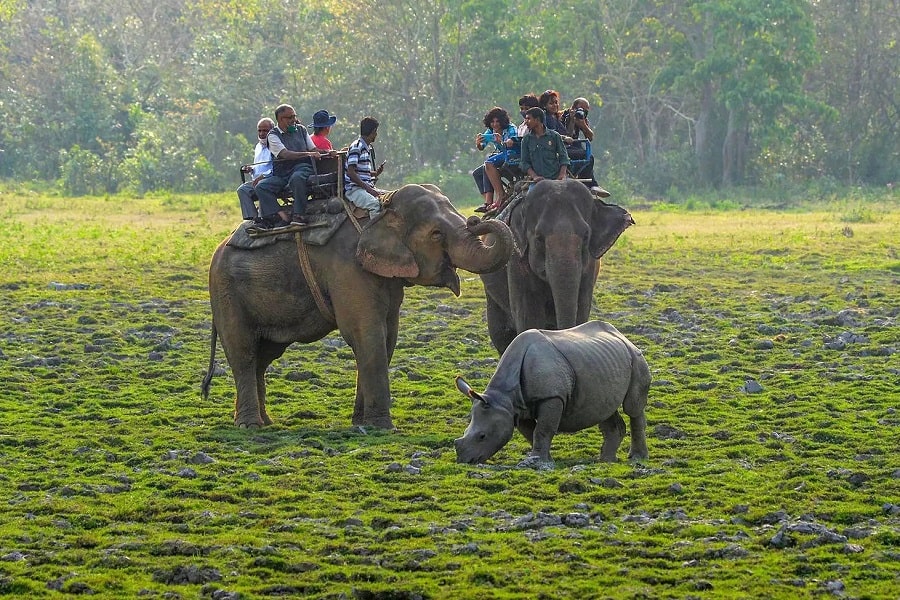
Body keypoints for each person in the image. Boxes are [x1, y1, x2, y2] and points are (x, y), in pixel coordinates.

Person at [255, 104, 325, 228]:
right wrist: (309, 154)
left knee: (297, 178)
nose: (294, 120)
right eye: (290, 117)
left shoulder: (302, 130)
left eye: (294, 116)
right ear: (281, 119)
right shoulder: (273, 135)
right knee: (261, 187)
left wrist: (329, 152)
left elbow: (314, 149)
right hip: (282, 174)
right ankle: (281, 216)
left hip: (302, 167)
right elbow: (285, 154)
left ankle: (299, 215)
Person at [561, 97, 609, 196]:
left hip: (573, 146)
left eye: (585, 111)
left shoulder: (582, 117)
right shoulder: (563, 116)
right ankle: (591, 184)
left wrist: (583, 125)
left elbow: (590, 137)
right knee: (586, 155)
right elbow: (567, 136)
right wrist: (572, 121)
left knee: (588, 154)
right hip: (561, 145)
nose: (582, 112)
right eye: (580, 109)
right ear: (573, 108)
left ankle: (591, 184)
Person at [344, 116, 385, 219]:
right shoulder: (357, 147)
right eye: (376, 132)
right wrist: (369, 189)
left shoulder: (366, 148)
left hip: (365, 188)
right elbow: (351, 172)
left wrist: (375, 173)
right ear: (373, 132)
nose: (376, 135)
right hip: (355, 190)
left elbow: (359, 170)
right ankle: (374, 234)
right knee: (375, 205)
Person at [479, 107, 519, 210]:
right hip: (502, 154)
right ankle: (488, 202)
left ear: (502, 121)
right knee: (478, 172)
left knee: (488, 163)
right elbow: (482, 147)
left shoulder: (511, 128)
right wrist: (479, 143)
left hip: (513, 153)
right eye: (492, 122)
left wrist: (500, 141)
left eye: (497, 121)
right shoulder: (490, 131)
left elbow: (512, 145)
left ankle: (501, 195)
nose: (495, 124)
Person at [236, 117, 274, 220]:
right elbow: (259, 165)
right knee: (242, 189)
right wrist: (251, 169)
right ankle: (252, 218)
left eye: (265, 130)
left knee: (261, 186)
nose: (262, 133)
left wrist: (263, 176)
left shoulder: (275, 146)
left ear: (272, 131)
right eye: (260, 130)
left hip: (270, 180)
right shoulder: (258, 146)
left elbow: (277, 168)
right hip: (257, 180)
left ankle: (264, 218)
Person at [520, 106, 570, 182]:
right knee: (531, 194)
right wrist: (535, 177)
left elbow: (564, 158)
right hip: (537, 181)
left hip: (555, 179)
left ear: (537, 120)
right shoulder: (526, 139)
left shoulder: (554, 136)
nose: (526, 121)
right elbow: (524, 162)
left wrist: (561, 175)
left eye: (528, 119)